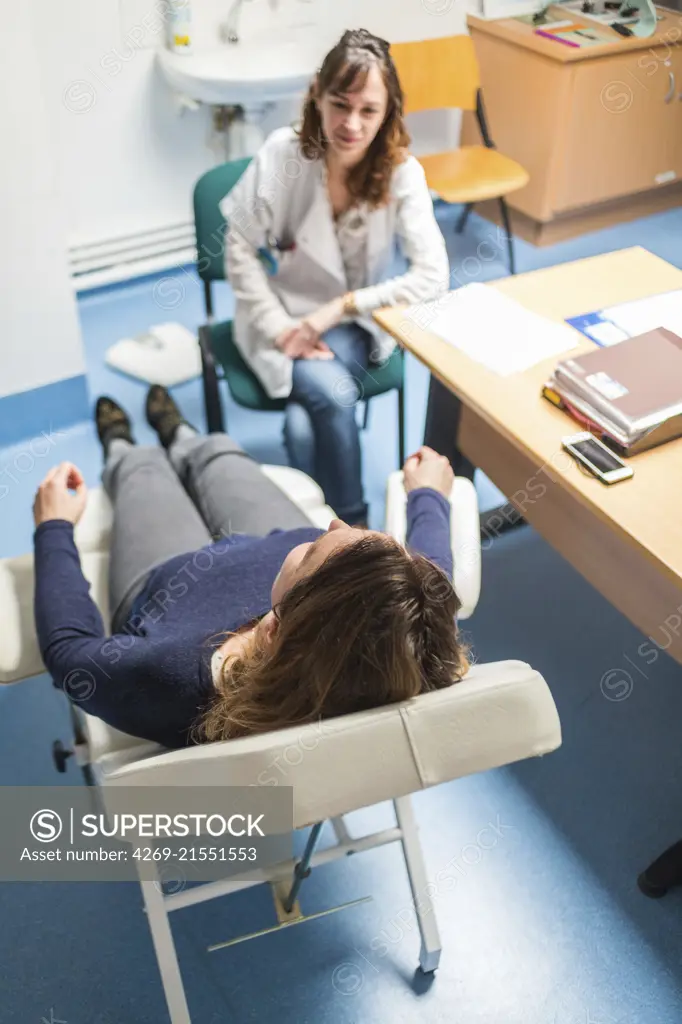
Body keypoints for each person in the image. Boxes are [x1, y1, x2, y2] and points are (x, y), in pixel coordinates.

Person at [32, 387, 468, 749]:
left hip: (169, 584)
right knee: (218, 452)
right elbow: (430, 583)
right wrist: (427, 495)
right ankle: (180, 434)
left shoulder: (172, 673)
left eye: (316, 548)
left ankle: (121, 446)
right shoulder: (406, 646)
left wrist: (52, 527)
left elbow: (70, 654)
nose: (334, 523)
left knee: (143, 472)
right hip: (266, 542)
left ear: (271, 630)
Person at [221, 27, 450, 526]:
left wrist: (341, 307)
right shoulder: (283, 156)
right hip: (279, 320)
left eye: (368, 110)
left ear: (388, 111)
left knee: (314, 416)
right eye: (339, 104)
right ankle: (353, 527)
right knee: (325, 405)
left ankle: (318, 532)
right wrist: (281, 327)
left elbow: (433, 277)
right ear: (316, 97)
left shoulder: (401, 172)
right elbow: (237, 246)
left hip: (351, 323)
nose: (351, 124)